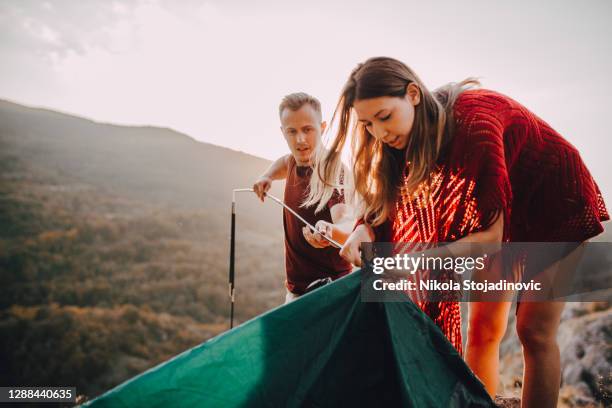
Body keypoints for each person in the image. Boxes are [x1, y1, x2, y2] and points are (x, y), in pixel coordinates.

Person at [305, 57, 609, 407]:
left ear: (413, 94)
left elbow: (486, 243)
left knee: (534, 332)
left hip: (555, 206)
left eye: (385, 117)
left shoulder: (475, 126)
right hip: (500, 213)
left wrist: (413, 263)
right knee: (482, 332)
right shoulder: (399, 140)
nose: (379, 132)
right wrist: (363, 230)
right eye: (368, 124)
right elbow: (387, 203)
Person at [253, 92, 355, 304]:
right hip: (296, 292)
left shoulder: (332, 170)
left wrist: (331, 231)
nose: (300, 139)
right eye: (292, 131)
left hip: (332, 292)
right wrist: (267, 176)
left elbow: (345, 218)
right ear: (283, 132)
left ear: (323, 127)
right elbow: (284, 161)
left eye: (308, 129)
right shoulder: (292, 161)